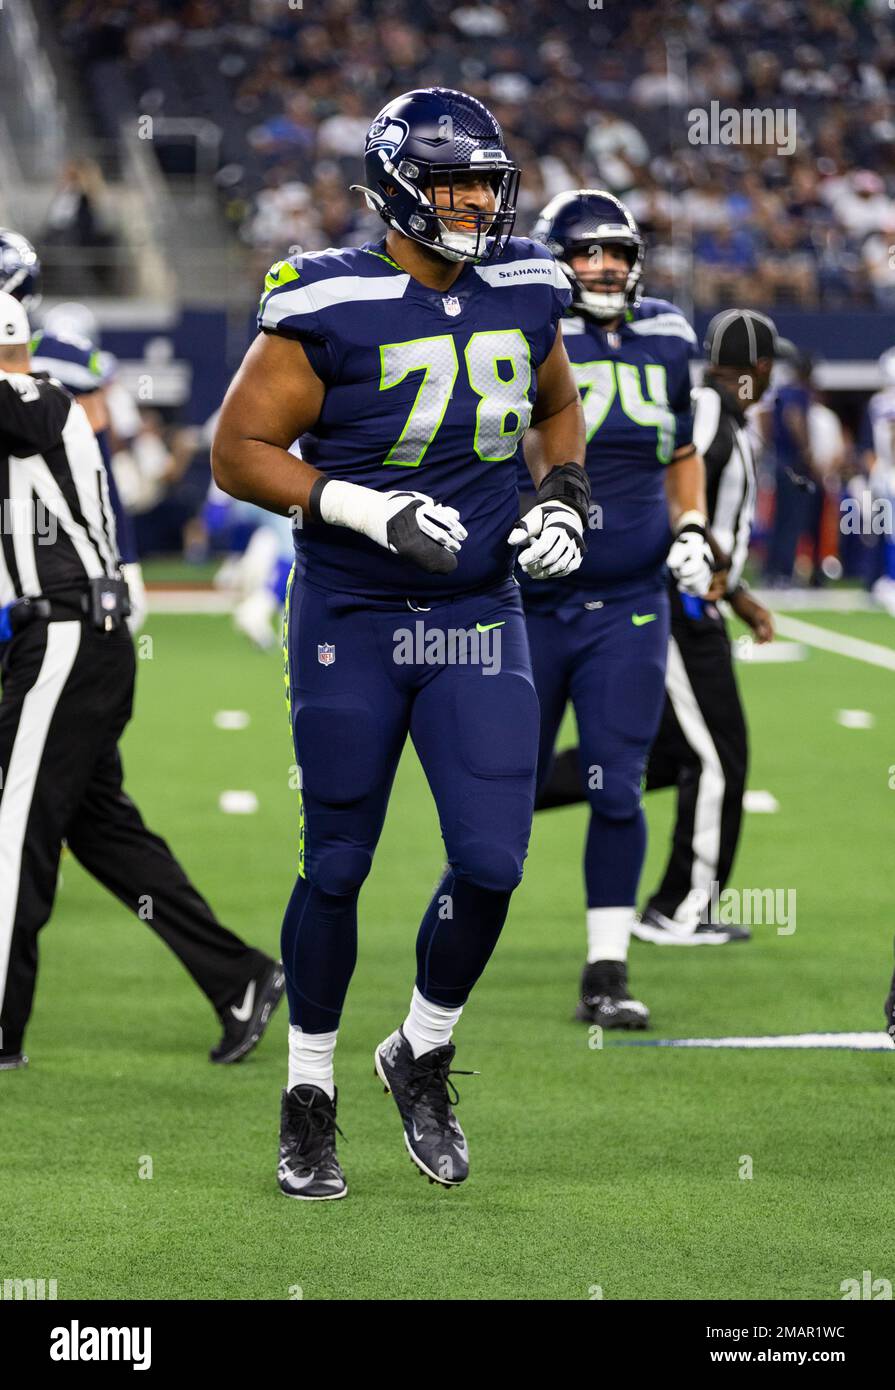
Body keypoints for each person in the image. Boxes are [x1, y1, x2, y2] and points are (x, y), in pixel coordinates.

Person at [212, 87, 589, 1198]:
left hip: (479, 610)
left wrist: (561, 497)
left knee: (491, 860)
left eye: (487, 181)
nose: (477, 202)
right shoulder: (328, 297)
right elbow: (238, 450)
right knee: (336, 864)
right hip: (356, 618)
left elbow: (556, 409)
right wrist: (366, 509)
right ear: (393, 190)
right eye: (453, 184)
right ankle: (309, 1090)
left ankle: (421, 1048)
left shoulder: (527, 287)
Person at [0, 292, 284, 1071]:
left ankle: (0, 1026)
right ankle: (240, 979)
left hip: (64, 636)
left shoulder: (38, 399)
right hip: (72, 640)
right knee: (106, 835)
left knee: (13, 831)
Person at [523, 190, 712, 1027]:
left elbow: (680, 451)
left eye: (616, 252)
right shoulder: (526, 325)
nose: (602, 266)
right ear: (554, 257)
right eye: (585, 251)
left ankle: (605, 968)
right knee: (503, 784)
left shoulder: (670, 332)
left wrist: (694, 527)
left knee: (617, 784)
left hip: (630, 601)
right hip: (526, 599)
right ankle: (457, 935)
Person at [539, 309, 777, 946]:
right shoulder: (702, 408)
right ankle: (681, 908)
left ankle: (520, 787)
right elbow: (672, 486)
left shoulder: (725, 415)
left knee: (664, 756)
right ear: (759, 368)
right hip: (671, 604)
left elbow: (709, 525)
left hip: (695, 601)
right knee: (718, 757)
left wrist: (741, 594)